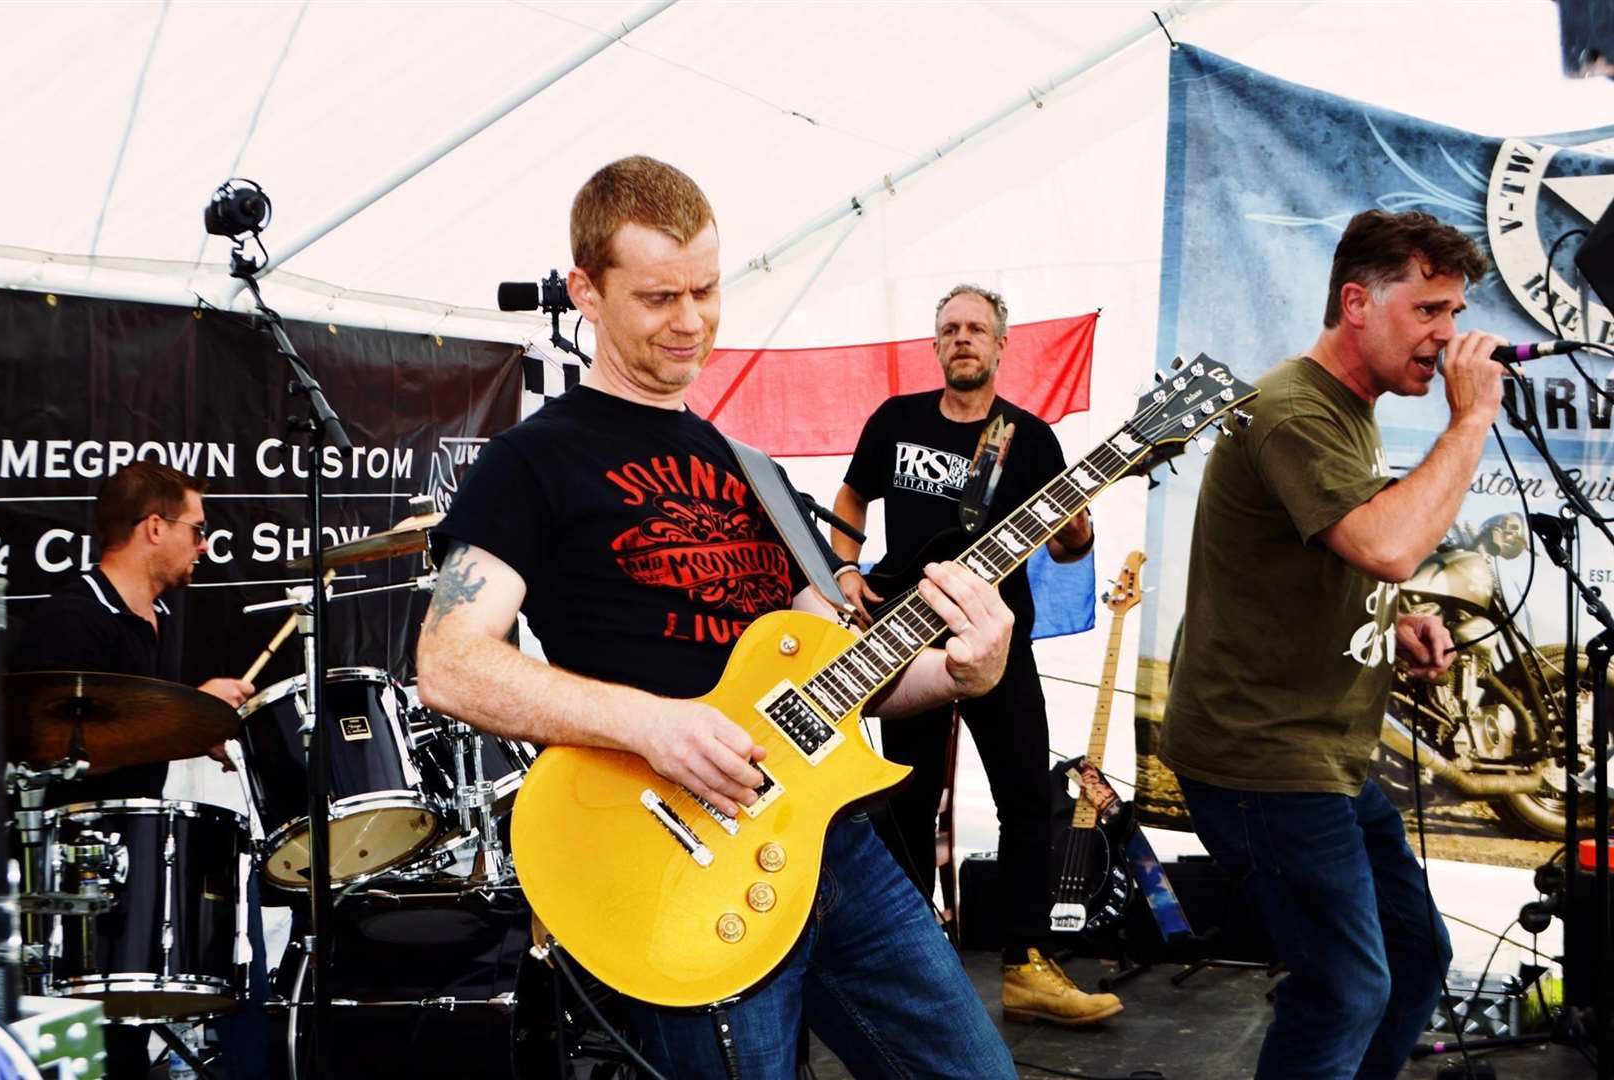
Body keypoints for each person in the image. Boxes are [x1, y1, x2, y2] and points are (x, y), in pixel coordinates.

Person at [415, 156, 1022, 1079]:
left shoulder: (755, 470)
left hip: (831, 845)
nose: (691, 320)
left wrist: (960, 673)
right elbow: (451, 663)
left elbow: (840, 675)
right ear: (586, 289)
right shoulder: (532, 461)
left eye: (705, 288)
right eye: (659, 296)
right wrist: (652, 723)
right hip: (680, 861)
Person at [1160, 209, 1503, 1080]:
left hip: (1324, 756)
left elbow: (1339, 555)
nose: (1448, 335)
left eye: (1455, 313)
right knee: (1345, 987)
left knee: (1417, 959)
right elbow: (1387, 543)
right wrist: (1470, 424)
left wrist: (1394, 622)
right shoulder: (1291, 410)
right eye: (1429, 310)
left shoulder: (1353, 407)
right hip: (1262, 759)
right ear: (1358, 302)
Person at [829, 284, 1120, 1027]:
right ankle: (903, 960)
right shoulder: (895, 421)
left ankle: (1026, 966)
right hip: (903, 633)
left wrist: (1080, 528)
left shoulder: (1030, 438)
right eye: (950, 328)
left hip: (996, 638)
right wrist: (845, 570)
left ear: (1000, 346)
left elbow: (1068, 544)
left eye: (976, 329)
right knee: (906, 798)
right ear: (936, 345)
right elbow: (852, 500)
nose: (963, 339)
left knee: (1025, 796)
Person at [15, 461, 257, 1080]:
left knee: (124, 1043)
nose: (204, 544)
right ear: (154, 526)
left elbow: (130, 728)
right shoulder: (75, 617)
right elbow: (53, 751)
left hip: (138, 871)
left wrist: (191, 728)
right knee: (79, 1052)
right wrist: (180, 724)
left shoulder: (161, 619)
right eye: (195, 529)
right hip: (69, 877)